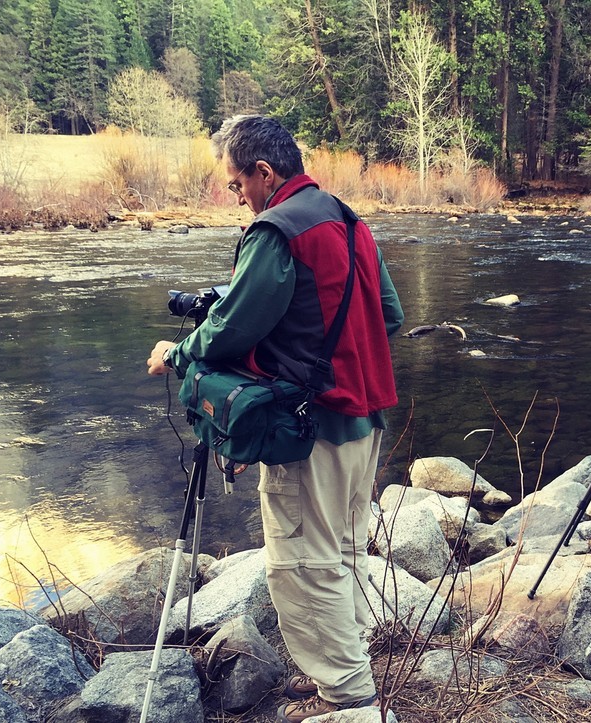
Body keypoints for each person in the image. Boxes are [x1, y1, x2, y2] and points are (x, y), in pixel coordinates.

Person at [146, 115, 403, 722]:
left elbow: (233, 326)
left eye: (237, 184)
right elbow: (387, 315)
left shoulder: (277, 231)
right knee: (340, 550)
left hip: (310, 430)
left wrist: (175, 354)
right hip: (364, 422)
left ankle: (348, 696)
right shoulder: (346, 218)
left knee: (302, 563)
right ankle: (343, 673)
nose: (236, 196)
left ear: (264, 173)